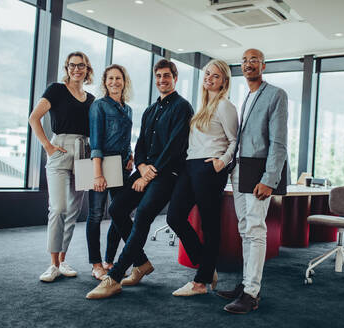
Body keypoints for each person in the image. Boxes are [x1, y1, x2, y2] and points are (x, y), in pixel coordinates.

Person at [86, 59, 194, 299]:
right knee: (116, 209)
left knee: (143, 214)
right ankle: (141, 263)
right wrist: (142, 166)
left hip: (168, 174)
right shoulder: (150, 110)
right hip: (145, 170)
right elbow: (141, 143)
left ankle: (114, 278)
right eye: (158, 76)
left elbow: (175, 147)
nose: (162, 80)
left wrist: (148, 175)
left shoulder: (183, 107)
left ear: (174, 78)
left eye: (166, 75)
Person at [216, 49, 288, 314]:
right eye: (245, 60)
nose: (248, 64)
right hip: (241, 169)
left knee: (256, 230)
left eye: (254, 60)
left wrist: (270, 179)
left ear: (263, 66)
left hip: (259, 171)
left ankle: (251, 293)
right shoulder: (246, 96)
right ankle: (246, 284)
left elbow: (279, 143)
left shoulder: (276, 94)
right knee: (245, 228)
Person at [166, 59, 238, 296]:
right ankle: (207, 267)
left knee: (209, 225)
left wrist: (222, 162)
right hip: (190, 165)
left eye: (215, 76)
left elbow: (235, 140)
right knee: (174, 216)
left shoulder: (225, 106)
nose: (209, 78)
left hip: (209, 167)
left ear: (224, 81)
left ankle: (200, 283)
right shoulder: (203, 107)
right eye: (207, 73)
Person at [28, 51, 95, 282]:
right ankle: (53, 264)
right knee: (58, 208)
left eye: (81, 65)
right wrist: (47, 145)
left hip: (84, 152)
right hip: (61, 149)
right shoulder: (56, 90)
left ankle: (63, 260)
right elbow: (34, 118)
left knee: (74, 211)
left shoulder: (92, 99)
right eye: (73, 65)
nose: (77, 69)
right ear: (67, 68)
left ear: (87, 69)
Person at [86, 64, 134, 280]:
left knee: (119, 213)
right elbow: (95, 141)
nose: (114, 82)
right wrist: (97, 174)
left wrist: (131, 156)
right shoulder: (99, 106)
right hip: (101, 164)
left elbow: (126, 138)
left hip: (121, 166)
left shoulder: (128, 108)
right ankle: (96, 264)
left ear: (124, 82)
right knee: (96, 214)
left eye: (118, 78)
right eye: (110, 79)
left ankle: (109, 261)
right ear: (105, 82)